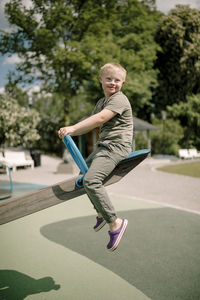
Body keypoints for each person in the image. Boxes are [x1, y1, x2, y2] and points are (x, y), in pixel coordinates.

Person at [58, 62, 133, 251]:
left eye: (117, 80)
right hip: (104, 147)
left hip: (116, 147)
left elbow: (100, 119)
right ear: (101, 80)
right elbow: (92, 124)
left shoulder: (120, 99)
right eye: (109, 79)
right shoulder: (101, 102)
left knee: (92, 180)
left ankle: (115, 222)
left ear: (123, 83)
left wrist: (72, 128)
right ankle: (100, 212)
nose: (112, 83)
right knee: (83, 179)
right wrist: (72, 131)